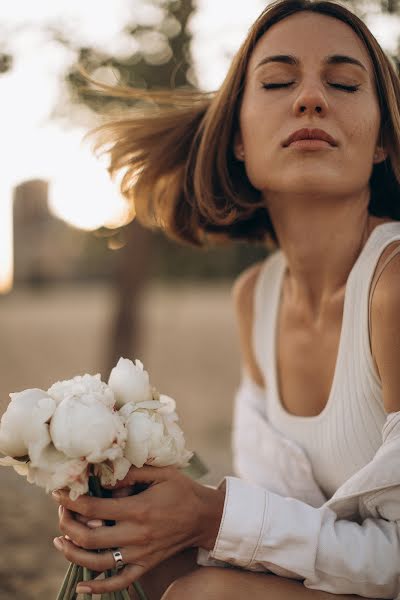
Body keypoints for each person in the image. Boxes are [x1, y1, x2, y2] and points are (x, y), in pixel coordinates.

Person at [51, 0, 400, 598]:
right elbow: (293, 515)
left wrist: (213, 515)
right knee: (146, 561)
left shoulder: (392, 289)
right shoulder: (256, 297)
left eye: (343, 83)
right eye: (277, 81)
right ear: (238, 138)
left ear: (381, 143)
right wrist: (134, 505)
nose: (311, 98)